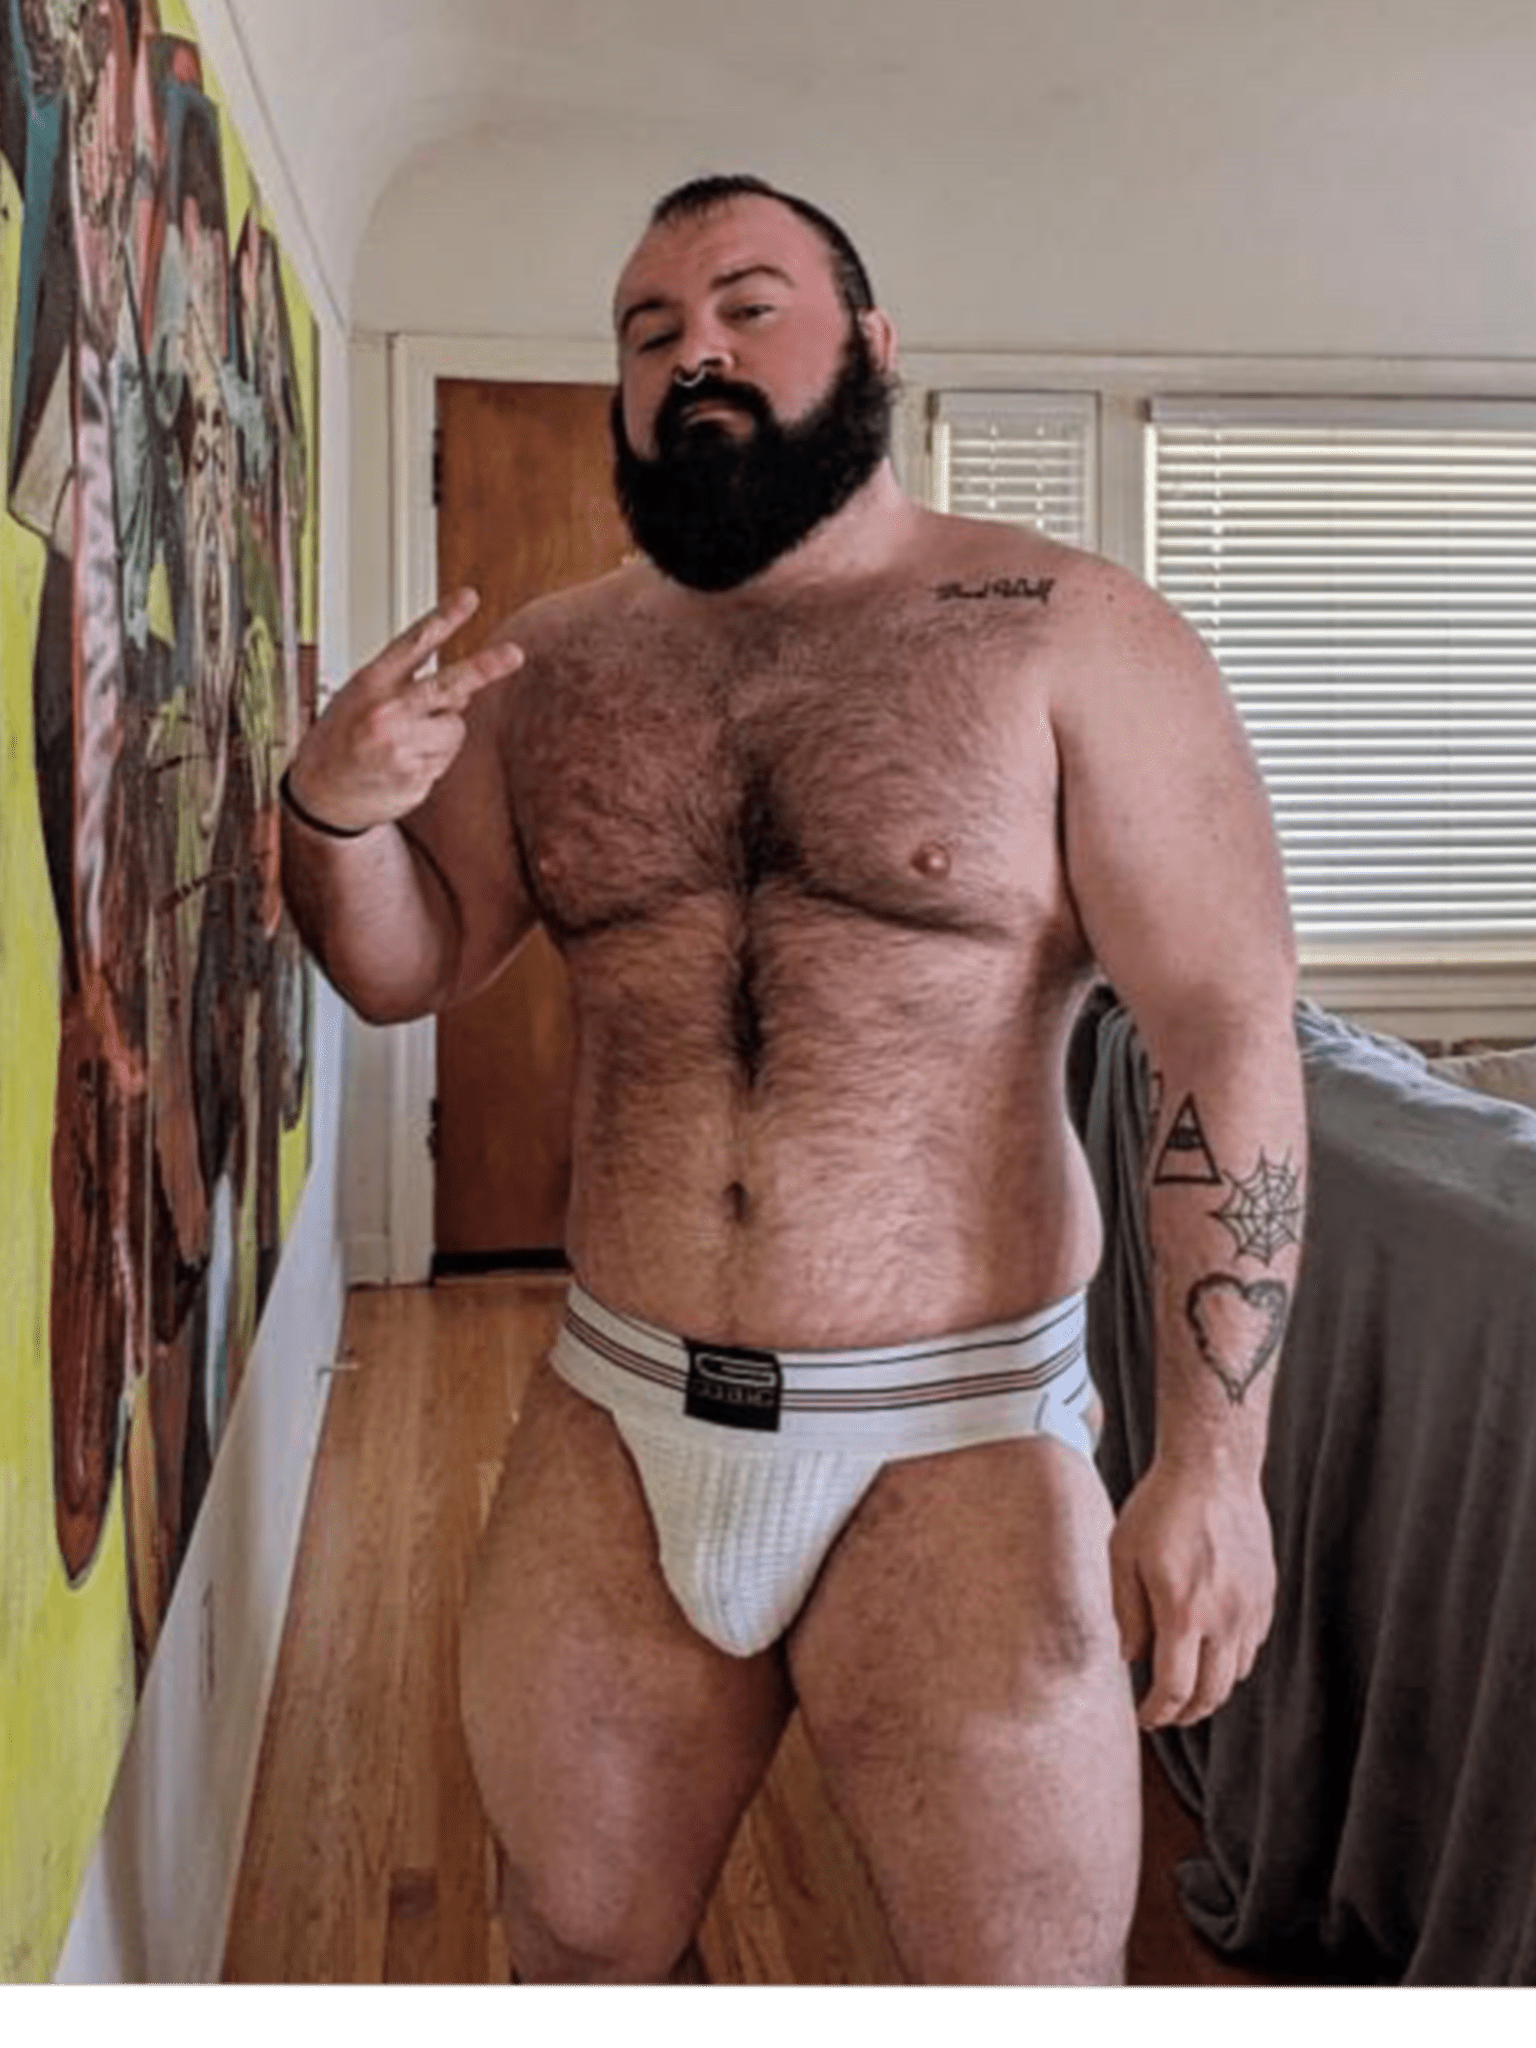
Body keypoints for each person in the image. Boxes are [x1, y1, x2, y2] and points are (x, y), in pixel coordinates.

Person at [280, 174, 1306, 1986]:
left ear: (874, 347)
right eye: (650, 330)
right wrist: (333, 813)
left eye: (749, 308)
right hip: (620, 1409)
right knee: (580, 1943)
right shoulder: (554, 668)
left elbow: (1224, 1027)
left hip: (959, 1436)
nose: (697, 355)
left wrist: (1216, 1465)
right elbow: (403, 967)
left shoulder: (1067, 633)